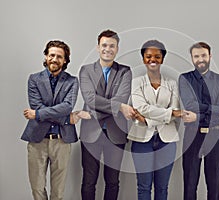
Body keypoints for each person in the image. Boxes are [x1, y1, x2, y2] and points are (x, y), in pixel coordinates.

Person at [78, 29, 135, 200]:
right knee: (89, 180)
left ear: (117, 49)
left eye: (112, 46)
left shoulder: (125, 71)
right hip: (90, 134)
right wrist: (119, 107)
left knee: (112, 181)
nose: (107, 49)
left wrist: (93, 114)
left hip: (116, 133)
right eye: (104, 45)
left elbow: (122, 97)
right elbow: (90, 98)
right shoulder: (86, 70)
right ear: (98, 47)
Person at [21, 40, 79, 200]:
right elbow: (36, 104)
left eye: (59, 56)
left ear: (65, 60)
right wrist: (66, 118)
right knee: (37, 189)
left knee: (58, 192)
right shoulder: (34, 79)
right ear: (46, 56)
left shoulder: (72, 81)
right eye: (51, 55)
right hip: (37, 140)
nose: (55, 59)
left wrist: (38, 115)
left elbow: (67, 106)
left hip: (62, 141)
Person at [128, 40, 182, 200]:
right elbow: (141, 108)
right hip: (141, 140)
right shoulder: (136, 82)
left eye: (157, 56)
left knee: (162, 187)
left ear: (162, 59)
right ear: (143, 58)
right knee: (144, 186)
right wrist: (168, 113)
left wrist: (147, 120)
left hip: (167, 140)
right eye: (148, 56)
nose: (153, 59)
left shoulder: (172, 84)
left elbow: (175, 111)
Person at [179, 42, 219, 200]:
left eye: (203, 55)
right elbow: (190, 105)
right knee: (189, 185)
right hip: (192, 137)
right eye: (196, 56)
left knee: (214, 186)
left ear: (210, 56)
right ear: (192, 59)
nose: (200, 59)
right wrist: (216, 110)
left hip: (214, 137)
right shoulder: (185, 78)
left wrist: (198, 116)